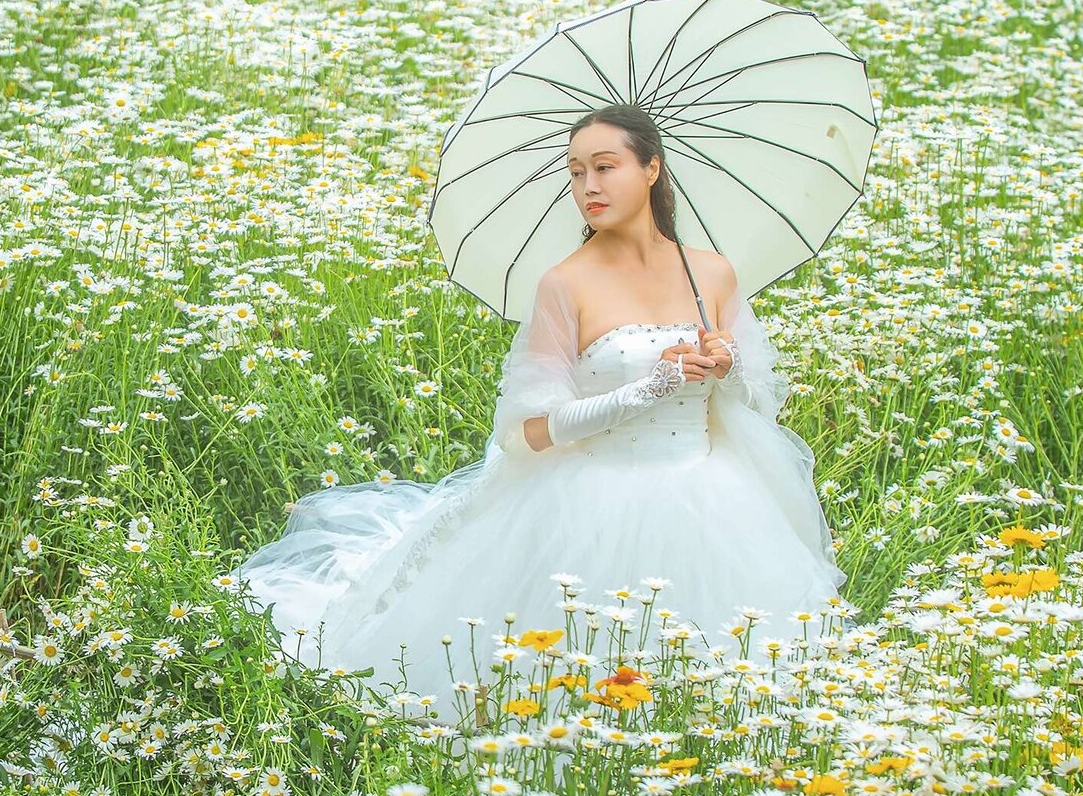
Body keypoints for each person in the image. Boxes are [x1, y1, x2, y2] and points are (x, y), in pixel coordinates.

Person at [228, 104, 847, 724]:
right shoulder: (565, 284)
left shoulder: (710, 271)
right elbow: (530, 433)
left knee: (739, 661)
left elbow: (758, 399)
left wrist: (726, 363)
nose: (589, 188)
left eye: (606, 168)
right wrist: (641, 390)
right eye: (576, 173)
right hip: (594, 496)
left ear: (652, 169)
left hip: (710, 490)